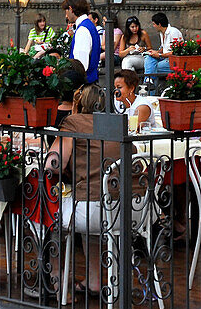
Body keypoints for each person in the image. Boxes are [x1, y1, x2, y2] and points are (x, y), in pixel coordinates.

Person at [45, 84, 121, 297]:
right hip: (129, 210)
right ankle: (95, 281)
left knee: (47, 214)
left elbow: (54, 165)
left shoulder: (73, 122)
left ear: (77, 103)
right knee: (89, 216)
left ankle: (56, 280)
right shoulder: (116, 124)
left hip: (93, 209)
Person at [62, 0, 100, 83]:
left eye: (66, 11)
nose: (66, 15)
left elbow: (80, 65)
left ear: (71, 9)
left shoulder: (83, 29)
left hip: (84, 84)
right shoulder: (89, 25)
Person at [143, 12, 182, 76]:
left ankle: (149, 83)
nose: (153, 26)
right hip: (164, 57)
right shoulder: (162, 33)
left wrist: (160, 55)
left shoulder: (173, 32)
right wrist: (155, 52)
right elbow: (164, 47)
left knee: (153, 67)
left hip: (172, 60)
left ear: (159, 24)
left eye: (154, 24)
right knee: (148, 58)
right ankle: (149, 82)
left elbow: (176, 51)